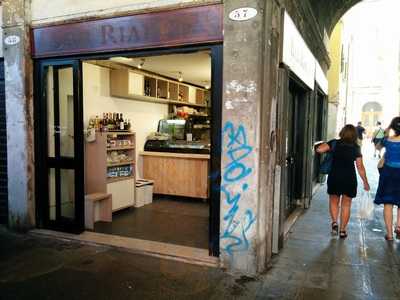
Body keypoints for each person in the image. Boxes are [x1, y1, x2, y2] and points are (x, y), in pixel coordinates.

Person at [316, 124, 370, 239]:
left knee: (334, 201)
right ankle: (342, 231)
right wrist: (365, 182)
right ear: (354, 135)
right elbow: (360, 167)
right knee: (346, 205)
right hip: (349, 179)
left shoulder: (334, 143)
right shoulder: (356, 147)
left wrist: (328, 148)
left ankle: (335, 222)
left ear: (342, 132)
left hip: (335, 177)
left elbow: (319, 149)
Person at [374, 117, 400, 241]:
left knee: (388, 203)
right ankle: (399, 226)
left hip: (389, 173)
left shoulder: (387, 141)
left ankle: (389, 234)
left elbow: (378, 147)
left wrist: (387, 129)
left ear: (393, 127)